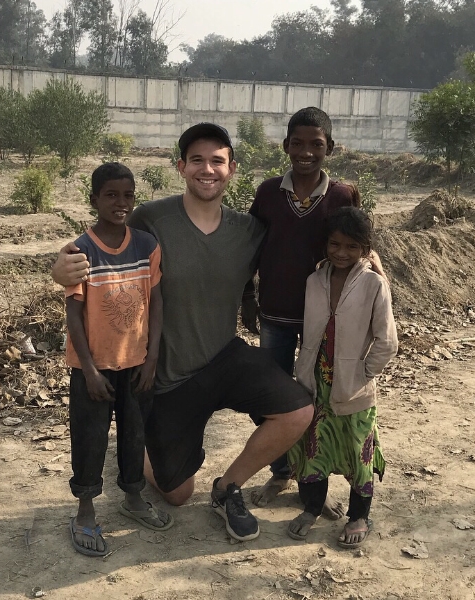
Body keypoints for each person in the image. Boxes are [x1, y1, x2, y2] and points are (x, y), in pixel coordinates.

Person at [52, 124, 314, 542]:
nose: (206, 169)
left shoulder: (249, 231)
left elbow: (295, 252)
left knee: (298, 410)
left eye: (217, 161)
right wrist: (60, 266)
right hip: (167, 377)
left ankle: (228, 487)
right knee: (176, 493)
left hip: (224, 357)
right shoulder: (151, 219)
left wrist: (364, 253)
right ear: (181, 167)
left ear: (231, 169)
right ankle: (141, 448)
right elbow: (101, 246)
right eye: (197, 160)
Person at [241, 106, 361, 508]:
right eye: (298, 143)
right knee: (270, 399)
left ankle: (314, 481)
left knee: (317, 402)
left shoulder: (342, 195)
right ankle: (282, 470)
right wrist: (248, 298)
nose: (306, 152)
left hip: (321, 321)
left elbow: (355, 249)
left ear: (331, 148)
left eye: (316, 144)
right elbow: (251, 249)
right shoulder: (268, 193)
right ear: (285, 146)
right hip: (274, 314)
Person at [64, 162, 173, 557]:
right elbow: (74, 313)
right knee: (90, 439)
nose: (121, 203)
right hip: (93, 369)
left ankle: (133, 497)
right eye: (111, 195)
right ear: (94, 199)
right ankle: (85, 511)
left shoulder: (147, 246)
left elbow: (156, 303)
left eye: (128, 195)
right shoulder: (81, 250)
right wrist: (90, 369)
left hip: (136, 362)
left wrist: (151, 357)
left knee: (134, 432)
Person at [284, 206, 398, 549]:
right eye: (335, 244)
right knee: (312, 447)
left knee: (357, 449)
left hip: (354, 386)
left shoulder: (374, 284)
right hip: (315, 381)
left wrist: (363, 373)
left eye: (351, 246)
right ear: (326, 244)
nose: (341, 253)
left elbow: (388, 340)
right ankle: (312, 507)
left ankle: (359, 515)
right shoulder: (314, 280)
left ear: (365, 248)